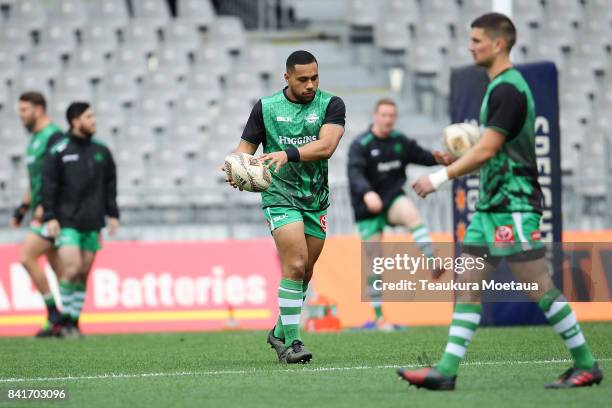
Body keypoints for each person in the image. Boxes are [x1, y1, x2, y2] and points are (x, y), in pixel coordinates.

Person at [399, 12, 603, 390]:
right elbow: (491, 151)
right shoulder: (497, 89)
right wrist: (456, 159)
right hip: (490, 207)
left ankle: (587, 364)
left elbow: (489, 149)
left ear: (499, 43)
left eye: (477, 40)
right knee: (468, 285)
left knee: (538, 286)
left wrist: (441, 177)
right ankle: (446, 371)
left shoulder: (508, 88)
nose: (470, 46)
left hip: (514, 205)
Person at [223, 50, 345, 363]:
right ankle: (292, 344)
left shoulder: (331, 104)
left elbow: (327, 146)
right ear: (286, 78)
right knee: (295, 263)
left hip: (315, 199)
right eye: (303, 79)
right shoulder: (265, 108)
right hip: (279, 196)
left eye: (314, 77)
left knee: (305, 271)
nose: (310, 85)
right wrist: (237, 169)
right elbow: (244, 151)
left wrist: (287, 153)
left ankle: (278, 332)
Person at [348, 98, 452, 331]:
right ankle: (378, 318)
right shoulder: (361, 145)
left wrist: (441, 159)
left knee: (410, 212)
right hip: (368, 209)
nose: (387, 119)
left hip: (392, 199)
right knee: (374, 265)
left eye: (391, 116)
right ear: (375, 116)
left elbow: (421, 155)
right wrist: (367, 193)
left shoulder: (399, 142)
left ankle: (432, 261)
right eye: (383, 115)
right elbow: (355, 174)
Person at [42, 102, 120, 337]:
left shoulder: (101, 151)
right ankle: (64, 319)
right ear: (75, 121)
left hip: (93, 221)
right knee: (72, 268)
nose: (94, 120)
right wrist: (50, 216)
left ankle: (73, 323)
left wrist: (113, 214)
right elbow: (49, 186)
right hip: (66, 221)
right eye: (89, 116)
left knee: (83, 273)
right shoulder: (59, 149)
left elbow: (110, 185)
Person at [9, 91, 65, 337]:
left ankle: (54, 315)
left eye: (24, 110)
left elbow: (62, 175)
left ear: (39, 109)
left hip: (51, 212)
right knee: (60, 269)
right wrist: (22, 210)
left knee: (27, 257)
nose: (20, 115)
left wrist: (51, 206)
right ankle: (66, 321)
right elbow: (35, 181)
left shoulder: (54, 137)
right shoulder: (35, 139)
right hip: (39, 209)